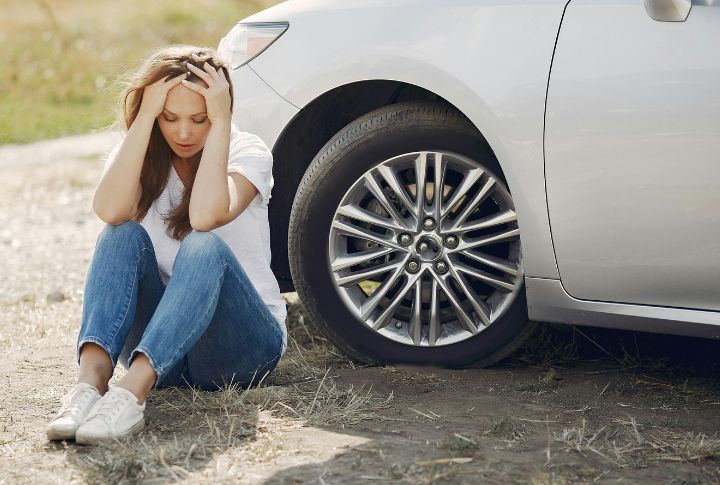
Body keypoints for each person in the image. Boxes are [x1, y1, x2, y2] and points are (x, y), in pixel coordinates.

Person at [45, 45, 287, 445]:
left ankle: (130, 393)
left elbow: (205, 216)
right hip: (163, 353)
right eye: (170, 118)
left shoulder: (248, 152)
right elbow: (109, 210)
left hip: (240, 347)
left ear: (220, 111)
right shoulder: (139, 153)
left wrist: (222, 123)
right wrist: (144, 117)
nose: (184, 133)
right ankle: (89, 385)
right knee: (120, 233)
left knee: (203, 245)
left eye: (199, 119)